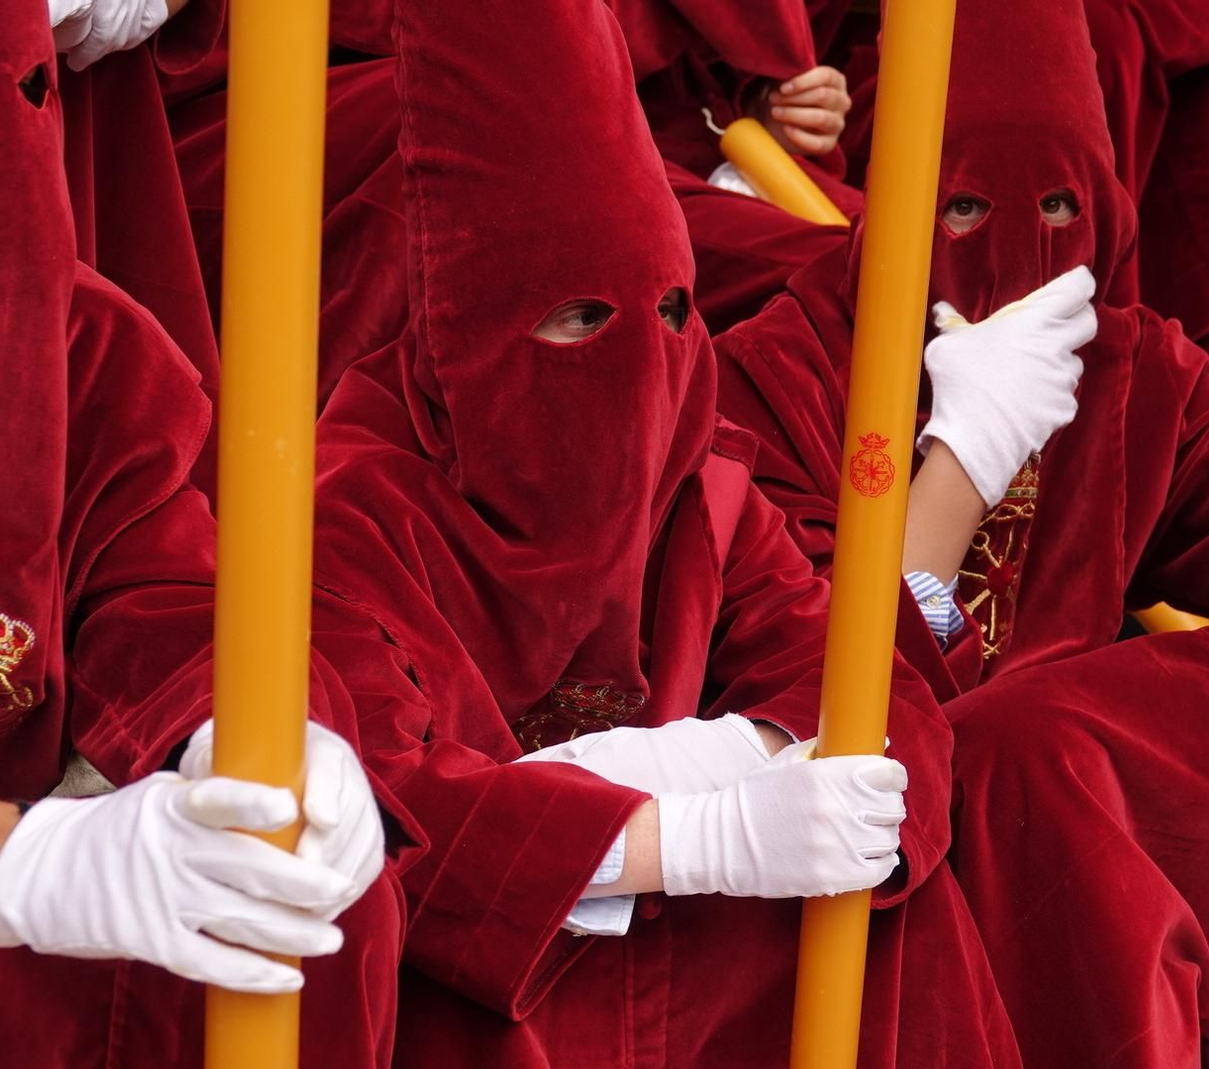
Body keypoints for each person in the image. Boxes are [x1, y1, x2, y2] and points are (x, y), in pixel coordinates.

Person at [304, 0, 1025, 1062]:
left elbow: (872, 686)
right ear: (467, 333)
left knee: (898, 920)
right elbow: (364, 809)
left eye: (674, 312)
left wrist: (745, 754)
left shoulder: (696, 479)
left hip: (669, 974)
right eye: (577, 321)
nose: (640, 366)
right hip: (482, 996)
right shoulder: (352, 506)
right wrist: (685, 833)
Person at [717, 0, 1209, 1060]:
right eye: (960, 212)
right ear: (894, 215)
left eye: (1058, 205)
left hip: (1078, 846)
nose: (1013, 254)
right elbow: (812, 678)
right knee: (1032, 755)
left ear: (1104, 216)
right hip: (875, 849)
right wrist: (956, 465)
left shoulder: (1126, 365)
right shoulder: (784, 367)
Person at [0, 4, 405, 1065]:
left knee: (287, 903)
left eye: (32, 90)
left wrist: (256, 730)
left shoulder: (72, 330)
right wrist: (14, 864)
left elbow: (161, 577)